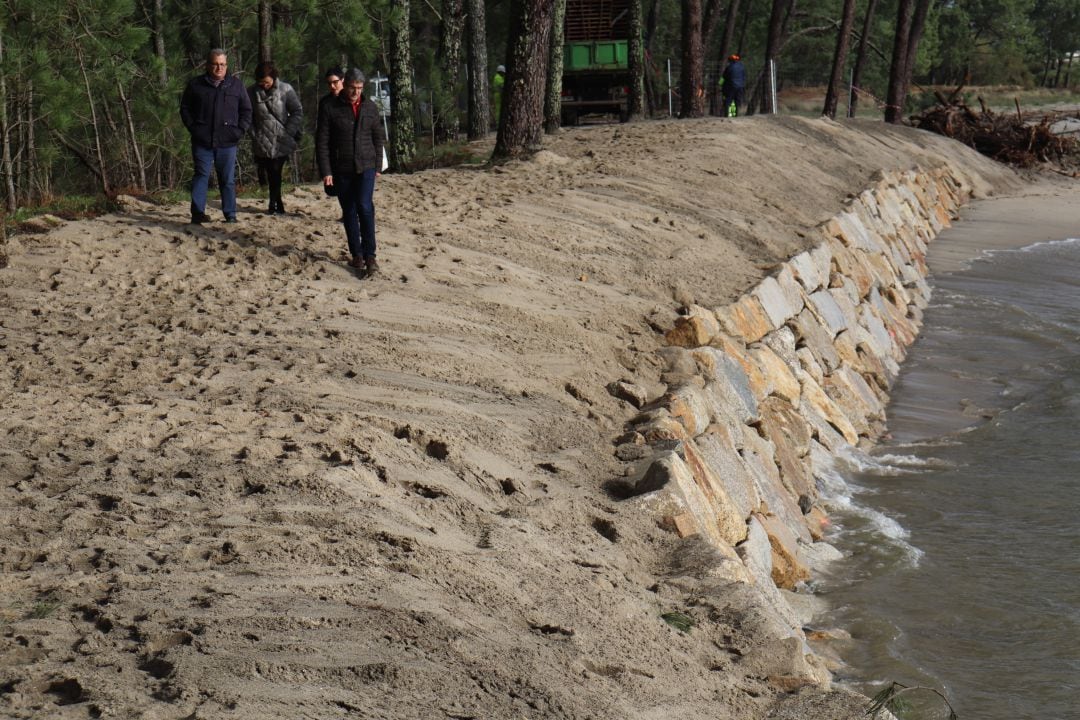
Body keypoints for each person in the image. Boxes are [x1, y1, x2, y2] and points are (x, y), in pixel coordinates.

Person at [316, 68, 386, 276]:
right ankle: (356, 254)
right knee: (349, 210)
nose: (355, 92)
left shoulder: (370, 107)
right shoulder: (330, 107)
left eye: (359, 88)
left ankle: (370, 255)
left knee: (365, 207)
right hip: (342, 167)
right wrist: (326, 170)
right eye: (352, 88)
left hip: (366, 166)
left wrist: (378, 164)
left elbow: (378, 137)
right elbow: (322, 142)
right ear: (345, 86)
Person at [179, 49, 252, 224]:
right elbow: (185, 108)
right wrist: (194, 128)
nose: (219, 68)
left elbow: (246, 111)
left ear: (226, 66)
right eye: (215, 64)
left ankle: (230, 214)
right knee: (201, 175)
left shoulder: (236, 85)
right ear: (208, 65)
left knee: (227, 179)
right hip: (202, 140)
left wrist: (239, 131)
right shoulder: (196, 85)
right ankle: (197, 213)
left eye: (222, 64)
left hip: (227, 142)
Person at [249, 61, 303, 215]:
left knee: (276, 171)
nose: (264, 85)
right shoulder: (251, 93)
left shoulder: (286, 90)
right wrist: (254, 134)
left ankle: (274, 203)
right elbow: (246, 116)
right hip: (262, 140)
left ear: (273, 78)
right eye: (261, 82)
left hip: (282, 139)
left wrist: (289, 131)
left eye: (266, 82)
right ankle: (276, 202)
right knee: (269, 172)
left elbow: (297, 111)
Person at [491, 64, 506, 129]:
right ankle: (498, 124)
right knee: (499, 110)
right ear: (500, 71)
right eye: (503, 72)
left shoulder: (500, 77)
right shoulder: (497, 77)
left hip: (499, 94)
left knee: (499, 109)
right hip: (498, 95)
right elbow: (502, 85)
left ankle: (500, 123)